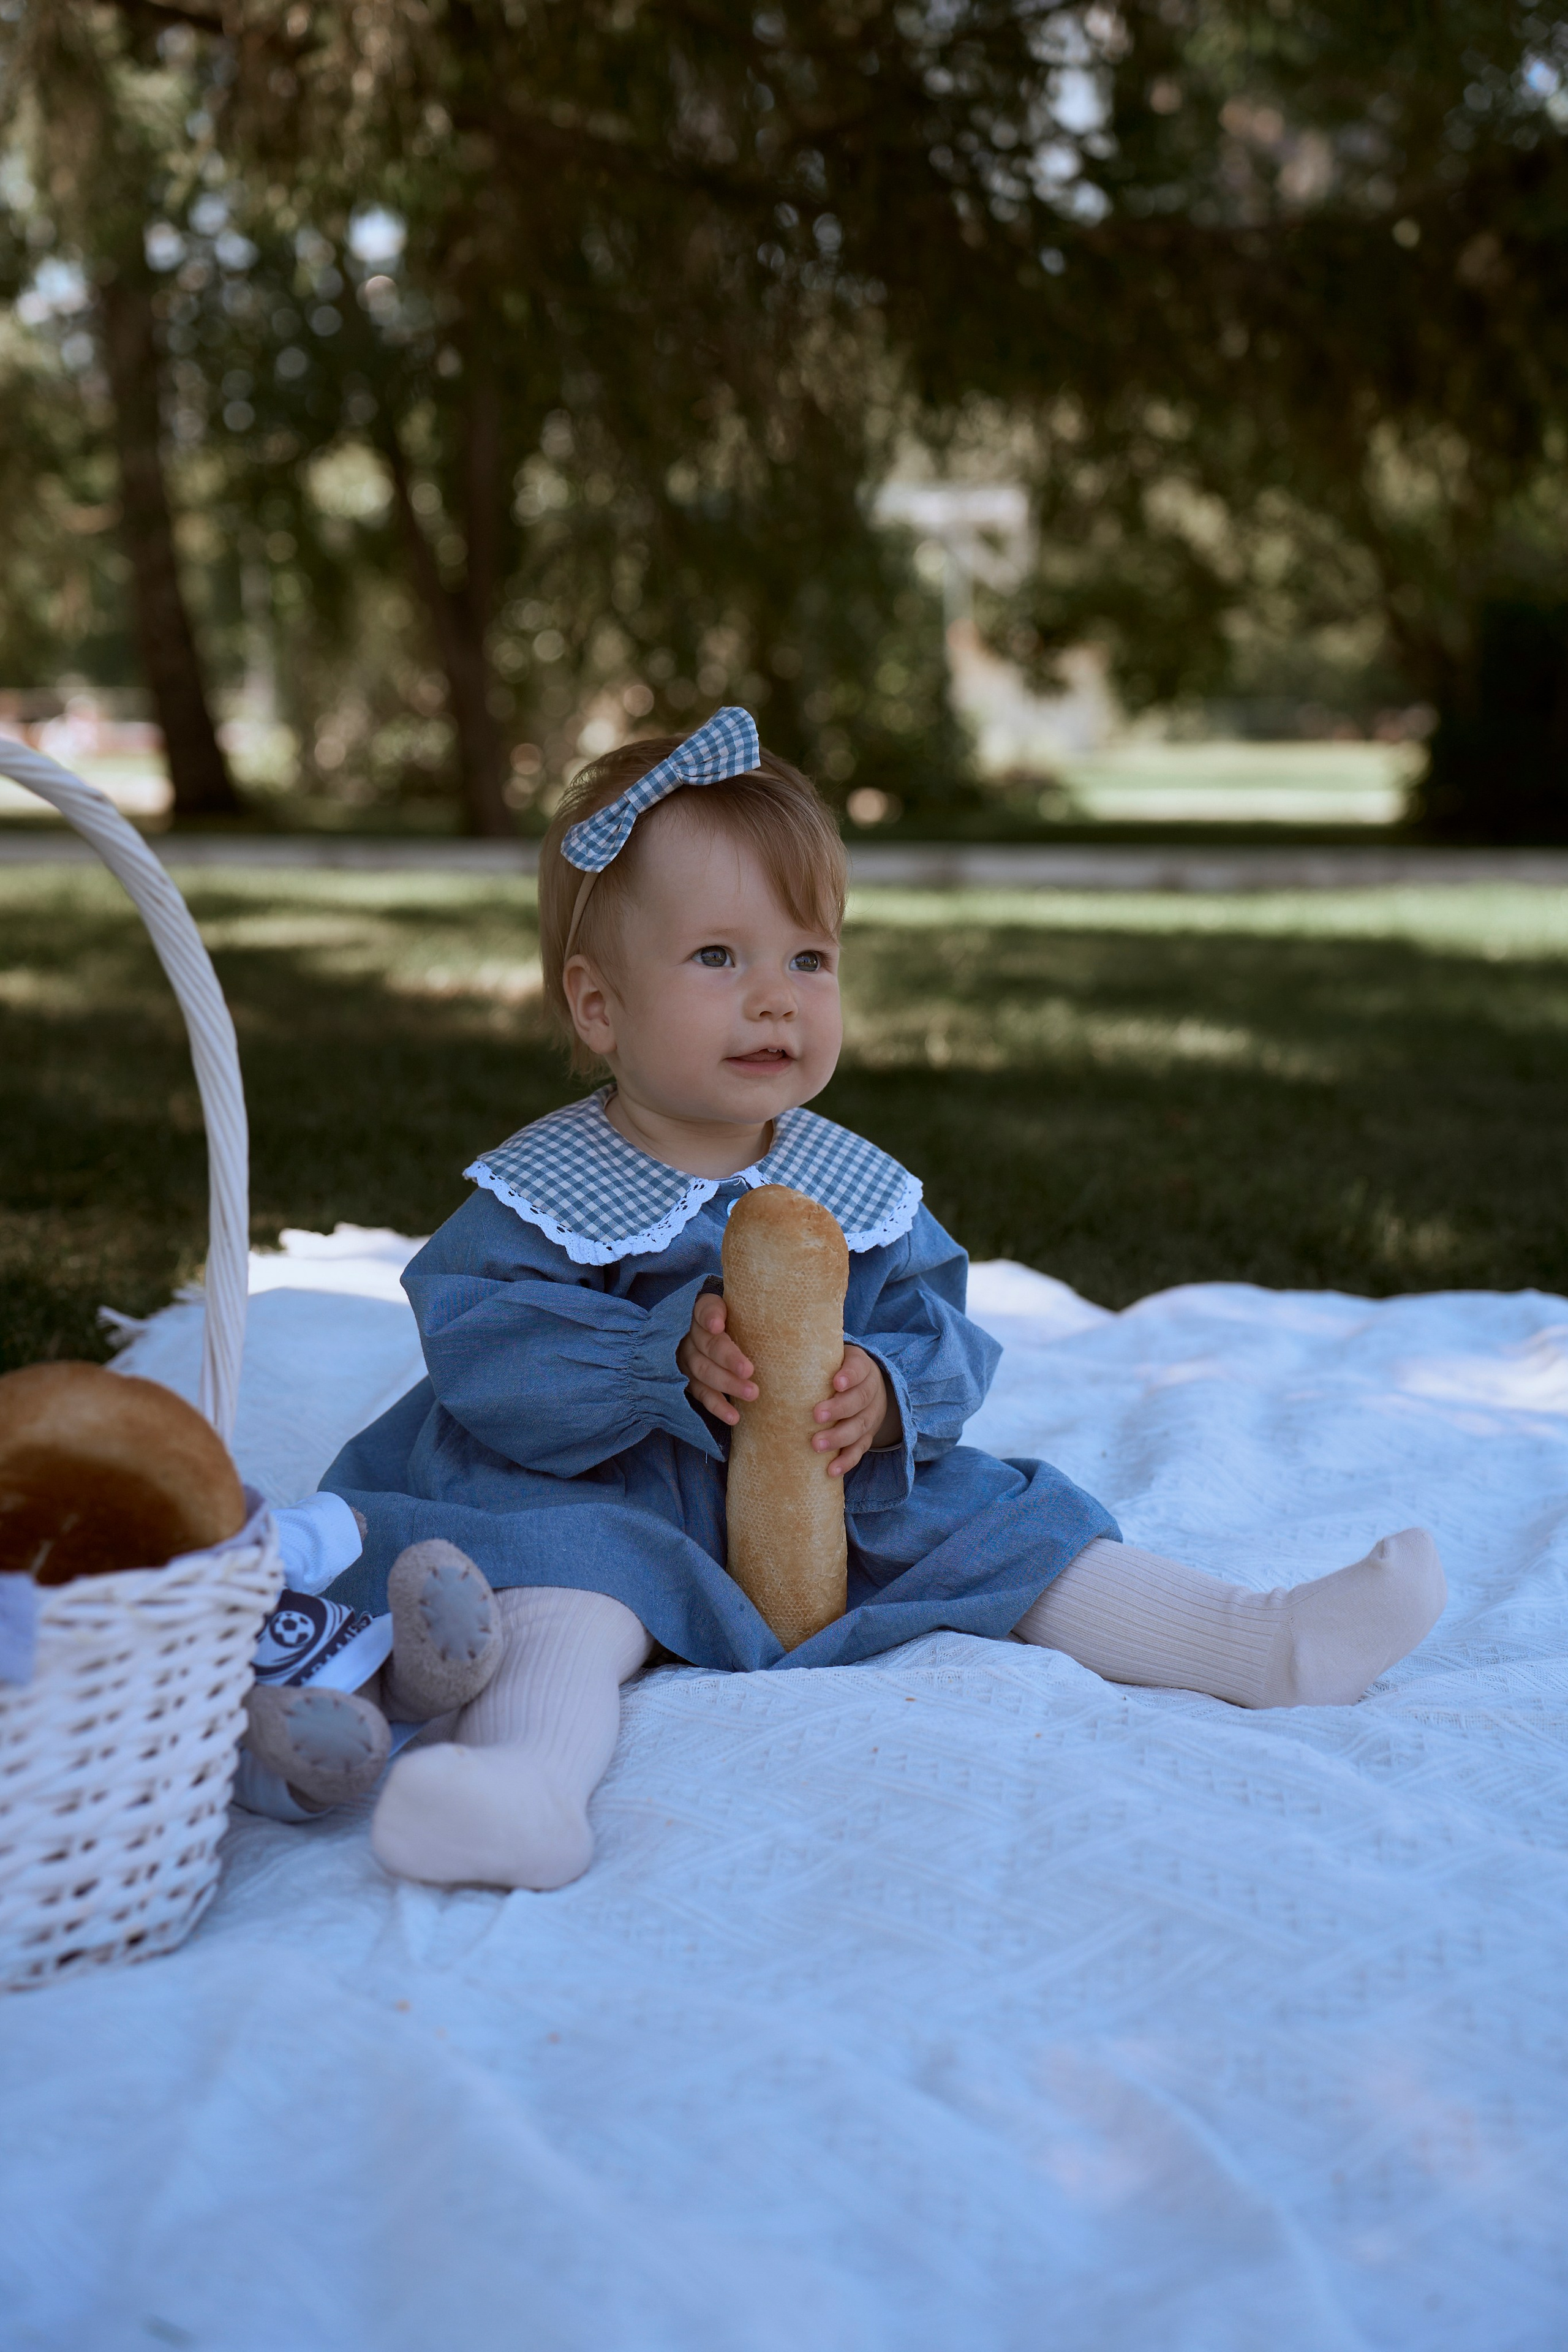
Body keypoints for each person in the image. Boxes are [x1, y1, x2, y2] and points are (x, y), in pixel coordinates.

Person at [286, 709, 1445, 1893]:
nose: (775, 998)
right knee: (559, 1600)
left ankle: (1259, 1640)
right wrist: (646, 1364)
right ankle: (525, 1789)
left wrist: (888, 1392)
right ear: (598, 1007)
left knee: (1004, 1520)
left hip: (829, 1487)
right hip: (606, 1483)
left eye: (809, 959)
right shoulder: (549, 1187)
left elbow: (942, 1323)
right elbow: (485, 1344)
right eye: (717, 958)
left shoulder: (847, 1183)